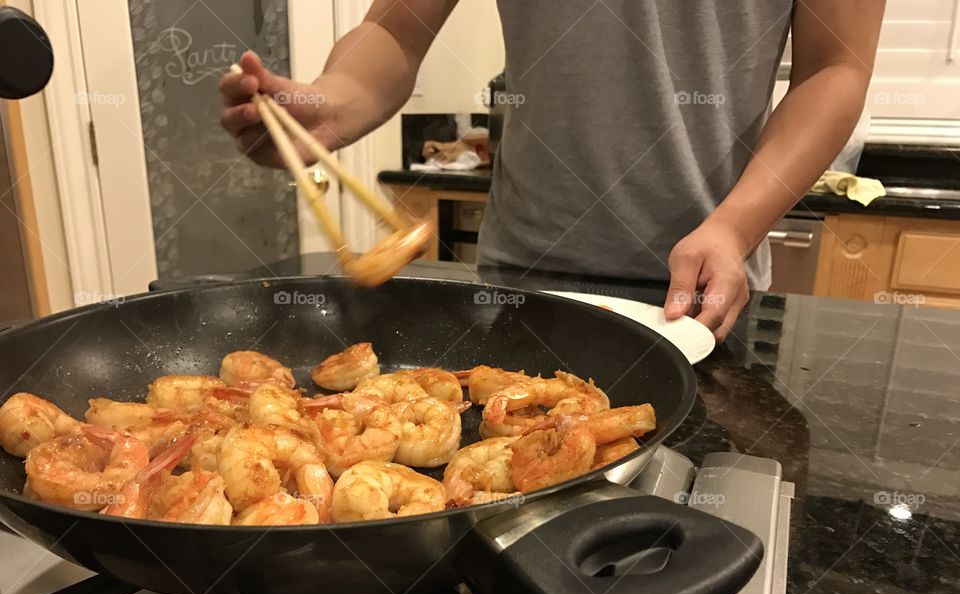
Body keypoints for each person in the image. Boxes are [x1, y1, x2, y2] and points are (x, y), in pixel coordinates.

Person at [220, 1, 885, 340]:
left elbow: (837, 66)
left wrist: (736, 229)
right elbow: (396, 28)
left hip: (704, 292)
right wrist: (331, 103)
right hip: (522, 283)